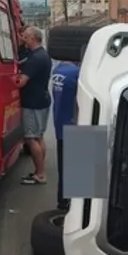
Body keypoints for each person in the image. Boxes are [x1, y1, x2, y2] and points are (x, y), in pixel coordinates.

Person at [16, 26, 52, 185]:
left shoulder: (35, 59)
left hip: (32, 102)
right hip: (42, 100)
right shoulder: (42, 55)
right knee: (39, 136)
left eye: (26, 36)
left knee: (31, 139)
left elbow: (21, 82)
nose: (24, 39)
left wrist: (11, 79)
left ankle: (40, 174)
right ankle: (40, 170)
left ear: (33, 38)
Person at [51, 58, 80, 209]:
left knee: (64, 168)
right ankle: (77, 209)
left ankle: (63, 202)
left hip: (61, 124)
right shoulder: (80, 73)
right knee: (82, 177)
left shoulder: (58, 70)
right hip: (79, 124)